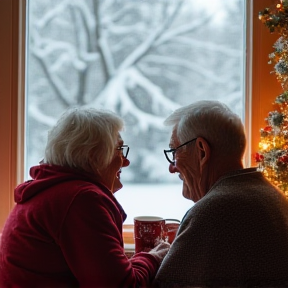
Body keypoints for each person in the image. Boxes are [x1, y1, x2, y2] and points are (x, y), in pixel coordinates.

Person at [0, 107, 170, 288]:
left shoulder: (52, 192)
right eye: (119, 149)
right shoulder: (80, 200)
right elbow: (122, 285)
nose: (126, 162)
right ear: (93, 156)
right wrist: (152, 258)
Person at [153, 100, 288, 288]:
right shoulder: (273, 196)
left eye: (175, 152)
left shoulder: (213, 212)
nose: (171, 167)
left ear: (201, 151)